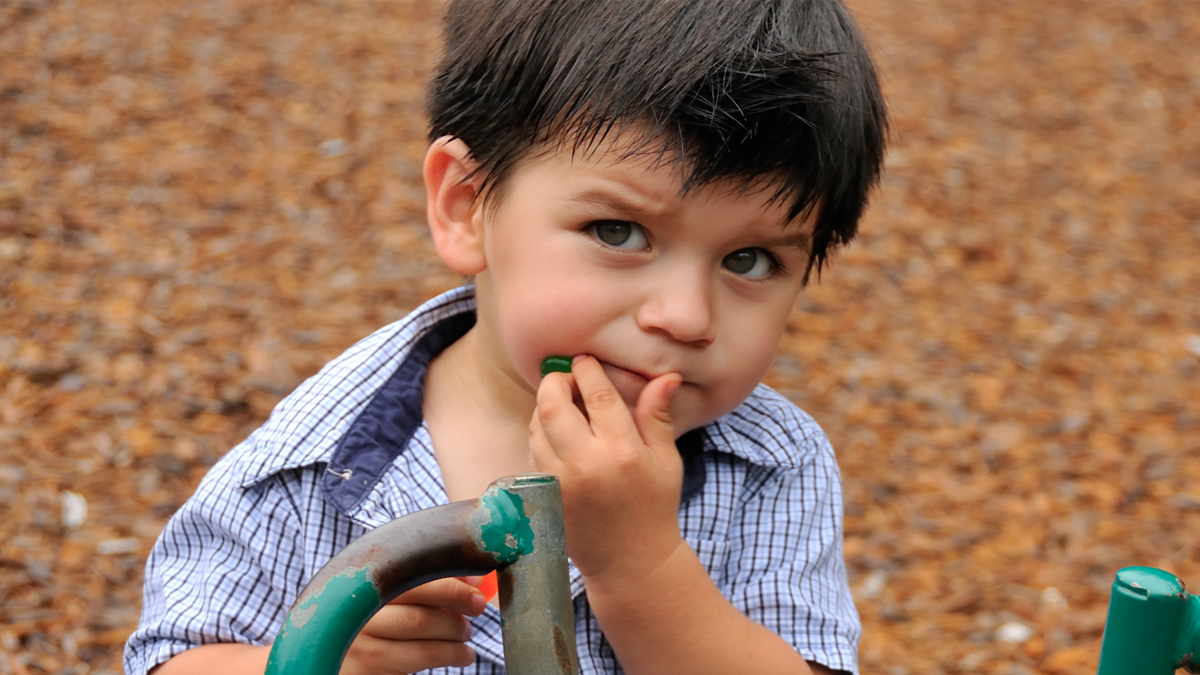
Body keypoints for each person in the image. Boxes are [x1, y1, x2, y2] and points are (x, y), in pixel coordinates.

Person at [125, 0, 887, 673]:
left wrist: (642, 567)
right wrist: (318, 655)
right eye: (619, 231)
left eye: (749, 259)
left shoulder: (766, 468)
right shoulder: (310, 462)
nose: (687, 316)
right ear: (466, 206)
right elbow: (175, 653)